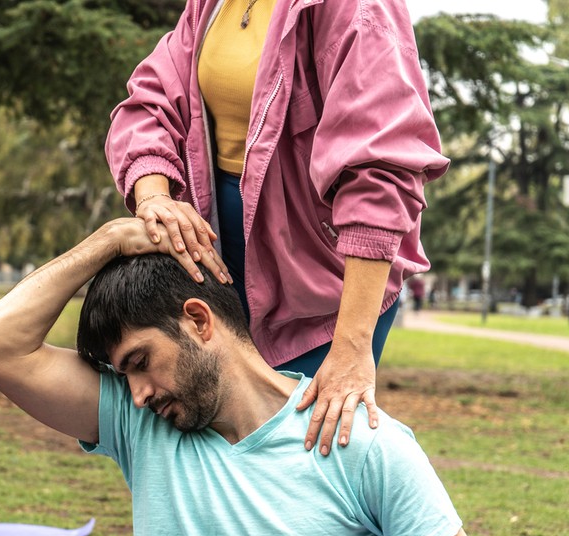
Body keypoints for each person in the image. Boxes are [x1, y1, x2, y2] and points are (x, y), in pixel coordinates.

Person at [0, 218, 543, 536]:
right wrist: (109, 241)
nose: (136, 394)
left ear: (197, 320)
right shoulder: (142, 425)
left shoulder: (361, 443)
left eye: (139, 362)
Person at [105, 0, 450, 456]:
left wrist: (350, 347)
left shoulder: (358, 8)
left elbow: (380, 170)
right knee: (217, 449)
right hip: (219, 258)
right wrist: (154, 196)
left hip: (327, 286)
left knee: (300, 458)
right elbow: (150, 101)